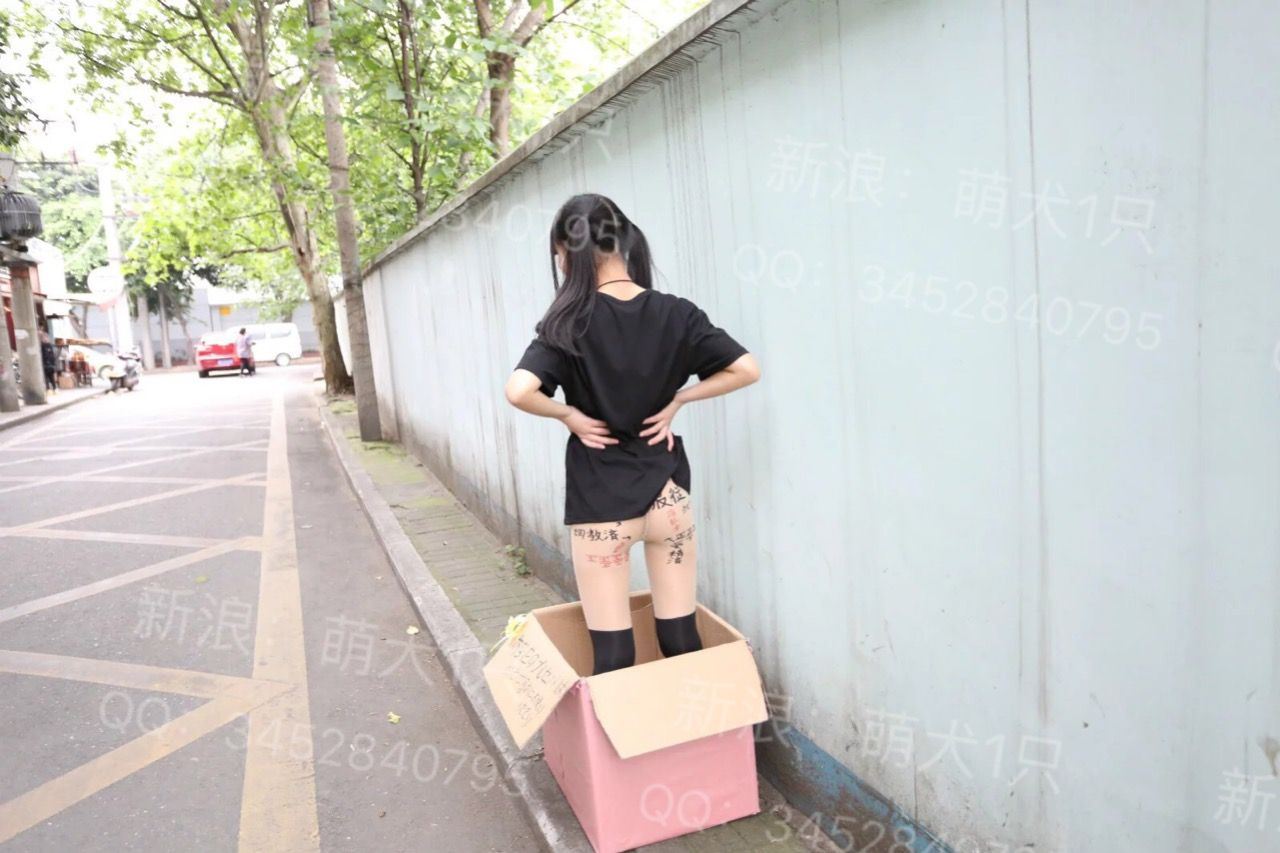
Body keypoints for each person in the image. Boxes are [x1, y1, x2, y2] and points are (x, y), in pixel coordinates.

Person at [504, 194, 761, 675]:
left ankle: (627, 727)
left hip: (602, 504)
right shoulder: (677, 313)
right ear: (623, 240)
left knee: (614, 652)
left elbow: (519, 391)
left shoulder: (567, 323)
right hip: (668, 497)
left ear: (567, 250)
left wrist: (568, 415)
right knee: (680, 636)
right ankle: (693, 721)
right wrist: (680, 399)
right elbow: (746, 369)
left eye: (558, 255)